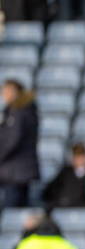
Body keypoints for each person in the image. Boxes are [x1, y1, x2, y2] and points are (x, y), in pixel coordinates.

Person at [0, 79, 39, 207]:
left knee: (12, 210)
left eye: (5, 91)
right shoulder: (24, 110)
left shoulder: (18, 113)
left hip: (15, 172)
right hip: (20, 171)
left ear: (14, 92)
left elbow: (12, 140)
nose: (3, 94)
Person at [42, 141, 85, 210]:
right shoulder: (65, 172)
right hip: (64, 207)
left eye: (82, 156)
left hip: (84, 208)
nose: (80, 159)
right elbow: (50, 190)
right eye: (77, 156)